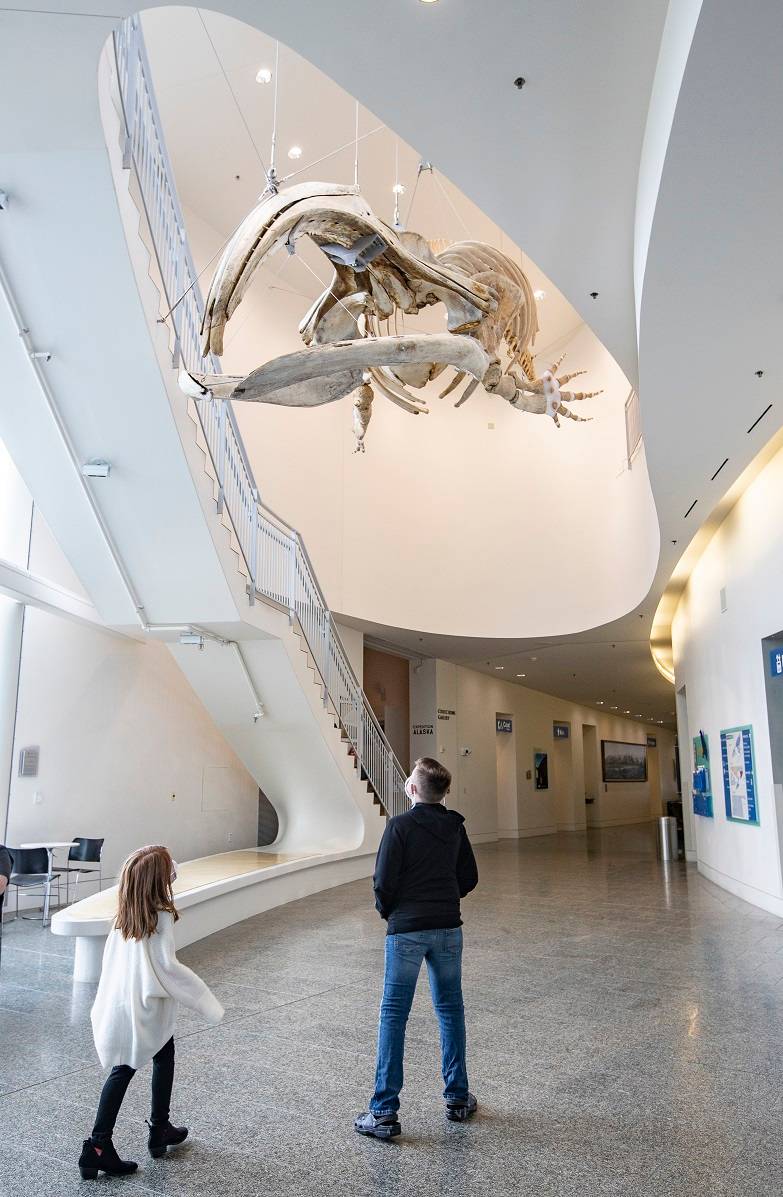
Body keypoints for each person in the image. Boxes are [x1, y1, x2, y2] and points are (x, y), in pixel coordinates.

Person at [78, 845, 224, 1180]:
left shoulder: (126, 914)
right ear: (157, 881)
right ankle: (99, 1145)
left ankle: (159, 1128)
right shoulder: (157, 915)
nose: (173, 872)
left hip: (122, 1005)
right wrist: (205, 1000)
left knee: (161, 1054)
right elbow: (167, 970)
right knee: (125, 1068)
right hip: (142, 1011)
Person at [355, 756, 479, 1140]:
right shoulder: (455, 827)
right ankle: (458, 1098)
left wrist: (392, 913)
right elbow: (469, 877)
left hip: (407, 930)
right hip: (447, 929)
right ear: (443, 792)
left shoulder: (399, 826)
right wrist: (443, 901)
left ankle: (384, 1112)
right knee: (450, 1010)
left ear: (411, 789)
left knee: (393, 1015)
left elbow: (383, 880)